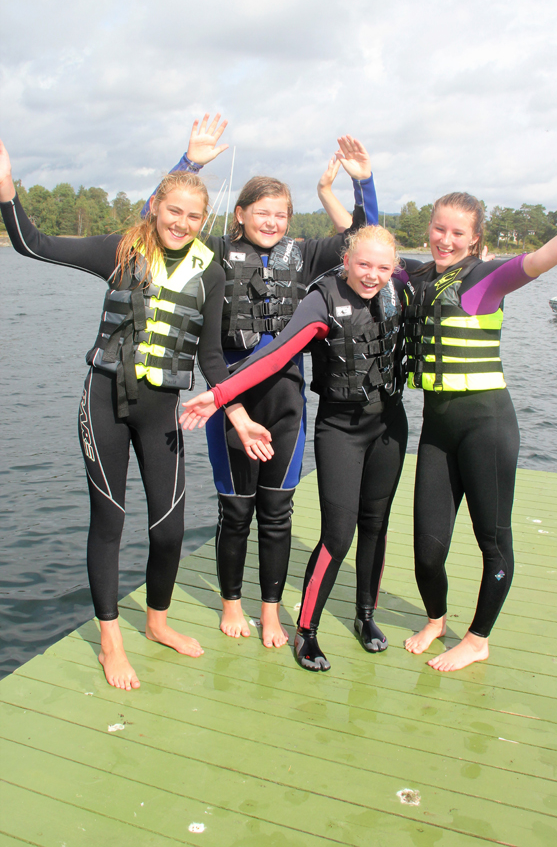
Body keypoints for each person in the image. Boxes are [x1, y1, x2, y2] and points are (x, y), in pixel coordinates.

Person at [0, 133, 272, 691]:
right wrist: (6, 188)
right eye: (174, 211)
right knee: (110, 521)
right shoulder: (122, 250)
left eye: (194, 216)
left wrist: (238, 414)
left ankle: (157, 622)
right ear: (156, 208)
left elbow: (211, 358)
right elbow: (32, 243)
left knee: (169, 529)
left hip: (161, 410)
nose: (182, 223)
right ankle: (110, 641)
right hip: (104, 400)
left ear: (203, 220)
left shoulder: (210, 270)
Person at [150, 117, 379, 649]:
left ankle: (270, 611)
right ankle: (232, 603)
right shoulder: (211, 252)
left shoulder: (308, 256)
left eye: (280, 215)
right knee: (236, 511)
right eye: (262, 212)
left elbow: (364, 236)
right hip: (231, 399)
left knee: (277, 513)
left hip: (287, 401)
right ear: (240, 214)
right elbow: (156, 223)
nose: (272, 222)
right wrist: (189, 163)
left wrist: (360, 182)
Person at [180, 224, 409, 671]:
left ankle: (366, 615)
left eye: (383, 267)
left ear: (395, 268)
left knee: (376, 525)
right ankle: (307, 630)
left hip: (389, 426)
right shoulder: (322, 299)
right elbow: (277, 353)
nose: (372, 275)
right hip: (341, 427)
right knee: (338, 535)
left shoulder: (400, 287)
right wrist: (222, 394)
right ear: (346, 260)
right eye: (363, 264)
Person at [394, 191, 557, 671]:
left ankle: (478, 638)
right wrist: (361, 183)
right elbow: (367, 239)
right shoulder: (416, 276)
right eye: (439, 229)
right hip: (437, 431)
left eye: (457, 232)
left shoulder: (486, 278)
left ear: (475, 239)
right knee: (427, 550)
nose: (445, 239)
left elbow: (544, 258)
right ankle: (436, 619)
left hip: (487, 428)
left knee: (492, 539)